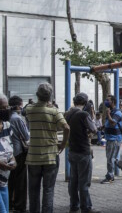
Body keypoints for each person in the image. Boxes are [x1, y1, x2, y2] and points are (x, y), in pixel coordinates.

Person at [25, 83, 70, 213]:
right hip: (51, 156)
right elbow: (67, 127)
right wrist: (63, 144)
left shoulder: (29, 109)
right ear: (50, 96)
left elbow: (26, 108)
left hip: (33, 157)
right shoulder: (54, 112)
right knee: (48, 190)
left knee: (33, 191)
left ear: (37, 94)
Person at [65, 93, 100, 213]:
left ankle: (74, 206)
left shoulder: (68, 114)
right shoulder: (83, 114)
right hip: (83, 151)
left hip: (72, 150)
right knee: (84, 182)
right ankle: (86, 207)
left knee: (73, 181)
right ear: (85, 103)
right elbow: (94, 129)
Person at [8, 96, 29, 213]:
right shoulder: (17, 118)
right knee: (20, 180)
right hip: (18, 152)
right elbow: (26, 137)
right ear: (17, 106)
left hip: (7, 152)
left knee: (9, 179)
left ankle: (9, 202)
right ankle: (20, 205)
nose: (22, 108)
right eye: (21, 105)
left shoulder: (7, 117)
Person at [101, 95, 122, 184]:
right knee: (111, 158)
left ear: (113, 102)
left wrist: (108, 114)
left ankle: (110, 176)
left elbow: (113, 123)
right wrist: (102, 127)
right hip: (109, 138)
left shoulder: (117, 112)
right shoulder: (111, 111)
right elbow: (108, 123)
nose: (106, 102)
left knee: (110, 158)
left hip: (114, 139)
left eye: (108, 100)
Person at [0, 94, 17, 213]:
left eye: (7, 107)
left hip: (4, 177)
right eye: (3, 108)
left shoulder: (7, 125)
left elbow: (9, 145)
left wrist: (13, 159)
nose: (6, 110)